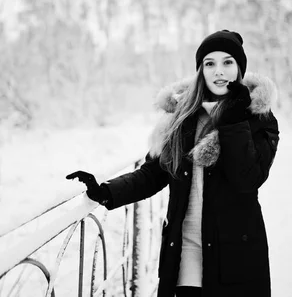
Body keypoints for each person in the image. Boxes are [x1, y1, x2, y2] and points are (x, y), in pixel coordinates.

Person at [67, 30, 280, 297]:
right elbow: (153, 174)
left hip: (236, 258)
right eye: (209, 63)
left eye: (228, 62)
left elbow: (247, 179)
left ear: (239, 68)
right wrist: (106, 191)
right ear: (200, 70)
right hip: (184, 256)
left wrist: (234, 121)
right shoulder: (182, 118)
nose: (219, 71)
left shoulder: (258, 119)